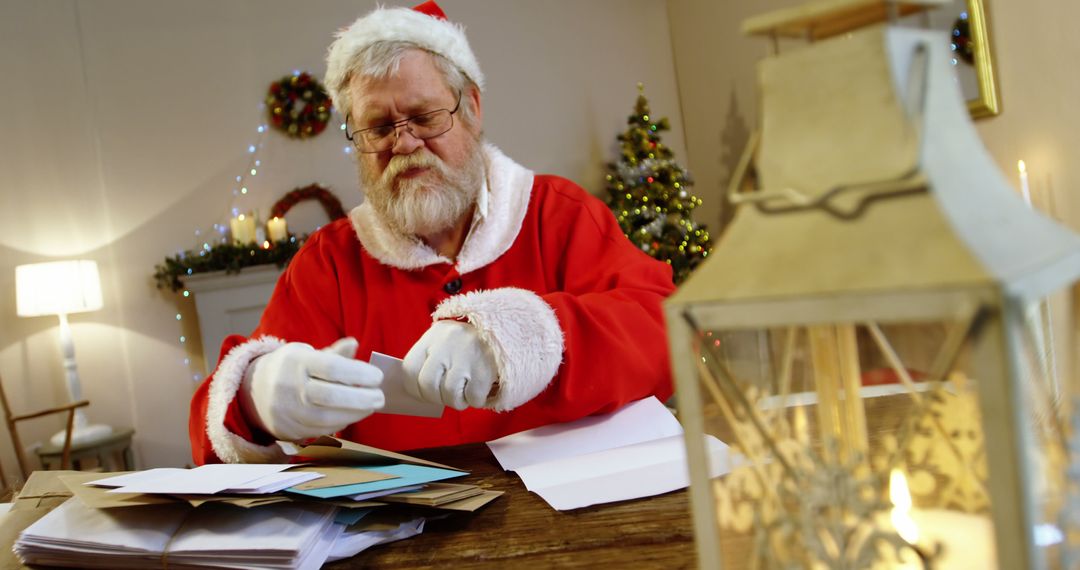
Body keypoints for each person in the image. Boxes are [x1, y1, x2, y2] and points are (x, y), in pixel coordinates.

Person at [189, 1, 675, 465]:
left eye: (423, 117)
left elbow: (666, 330)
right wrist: (256, 398)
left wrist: (520, 335)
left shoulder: (557, 213)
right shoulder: (330, 261)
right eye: (378, 127)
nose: (403, 143)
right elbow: (208, 434)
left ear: (472, 108)